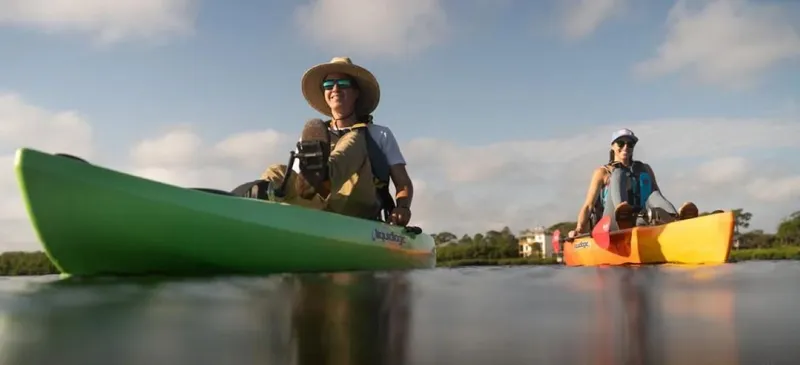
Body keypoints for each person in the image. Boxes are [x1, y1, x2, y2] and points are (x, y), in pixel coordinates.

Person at [233, 57, 414, 226]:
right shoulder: (314, 136)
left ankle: (323, 175)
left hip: (359, 205)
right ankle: (248, 200)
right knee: (277, 171)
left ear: (356, 92)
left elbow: (403, 182)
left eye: (343, 83)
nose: (335, 89)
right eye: (329, 84)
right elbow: (299, 181)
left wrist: (402, 207)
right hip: (319, 202)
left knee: (355, 139)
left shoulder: (379, 134)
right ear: (325, 93)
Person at [569, 128, 698, 237]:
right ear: (612, 146)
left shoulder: (644, 169)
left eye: (630, 144)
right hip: (612, 224)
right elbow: (588, 206)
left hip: (638, 220)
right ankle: (622, 213)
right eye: (621, 143)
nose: (626, 147)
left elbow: (657, 198)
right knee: (618, 173)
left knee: (653, 193)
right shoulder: (602, 172)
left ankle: (676, 219)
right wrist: (579, 229)